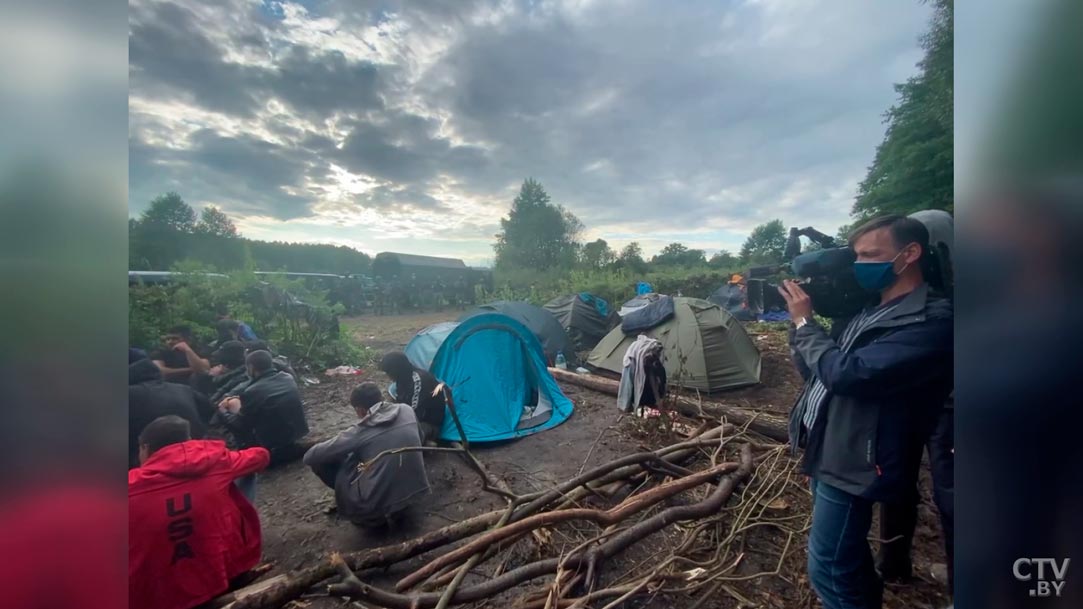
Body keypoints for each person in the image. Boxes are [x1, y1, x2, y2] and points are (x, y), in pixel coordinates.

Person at [779, 215, 953, 609]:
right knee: (849, 556)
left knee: (828, 567)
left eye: (871, 255)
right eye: (857, 256)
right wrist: (799, 330)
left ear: (909, 254)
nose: (860, 265)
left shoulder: (932, 322)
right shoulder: (865, 311)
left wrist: (806, 322)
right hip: (830, 444)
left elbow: (849, 375)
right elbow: (819, 374)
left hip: (859, 458)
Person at [129, 415, 270, 609]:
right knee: (242, 474)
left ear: (145, 448)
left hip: (155, 596)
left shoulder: (129, 485)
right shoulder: (216, 461)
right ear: (188, 441)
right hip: (222, 573)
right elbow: (261, 456)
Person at [303, 382, 430, 527]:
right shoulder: (406, 409)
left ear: (360, 410)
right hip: (415, 489)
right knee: (372, 452)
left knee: (333, 459)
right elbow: (420, 437)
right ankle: (401, 506)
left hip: (375, 505)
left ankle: (368, 514)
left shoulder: (360, 431)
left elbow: (310, 457)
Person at [217, 350, 309, 462]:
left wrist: (223, 411)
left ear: (251, 367)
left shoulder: (252, 391)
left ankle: (246, 451)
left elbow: (240, 424)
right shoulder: (287, 377)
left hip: (272, 450)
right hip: (296, 435)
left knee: (228, 408)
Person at [129, 357, 211, 469]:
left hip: (149, 459)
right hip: (195, 451)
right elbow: (210, 410)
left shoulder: (131, 393)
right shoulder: (184, 389)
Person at [378, 351, 447, 444]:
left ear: (396, 369)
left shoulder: (419, 380)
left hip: (428, 424)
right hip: (412, 420)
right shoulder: (402, 378)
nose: (388, 376)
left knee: (395, 436)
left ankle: (423, 444)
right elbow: (400, 405)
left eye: (388, 372)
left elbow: (411, 414)